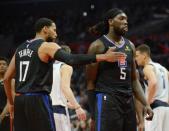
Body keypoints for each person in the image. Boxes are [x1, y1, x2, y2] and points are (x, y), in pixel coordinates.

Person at [3, 17, 126, 131]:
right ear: (45, 29)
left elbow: (7, 78)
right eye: (54, 30)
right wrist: (103, 56)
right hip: (37, 99)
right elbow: (71, 59)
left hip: (19, 100)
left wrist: (10, 102)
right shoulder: (46, 46)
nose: (56, 34)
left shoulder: (19, 48)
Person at [86, 8, 154, 131]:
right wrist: (93, 115)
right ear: (111, 21)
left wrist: (146, 104)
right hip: (107, 100)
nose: (126, 22)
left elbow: (134, 80)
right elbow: (90, 83)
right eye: (121, 18)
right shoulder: (97, 46)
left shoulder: (130, 46)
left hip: (128, 102)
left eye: (126, 19)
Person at [50, 45, 86, 131]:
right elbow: (65, 88)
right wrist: (77, 107)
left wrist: (68, 104)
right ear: (67, 55)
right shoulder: (66, 67)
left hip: (45, 109)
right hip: (58, 110)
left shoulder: (47, 68)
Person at [135, 44, 169, 131]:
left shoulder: (147, 68)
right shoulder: (163, 68)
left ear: (144, 56)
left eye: (137, 56)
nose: (135, 58)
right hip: (166, 109)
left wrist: (147, 104)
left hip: (155, 109)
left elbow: (153, 82)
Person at [0, 57, 14, 131]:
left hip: (6, 116)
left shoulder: (11, 81)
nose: (2, 66)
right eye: (0, 64)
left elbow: (11, 100)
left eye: (4, 64)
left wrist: (1, 116)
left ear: (8, 67)